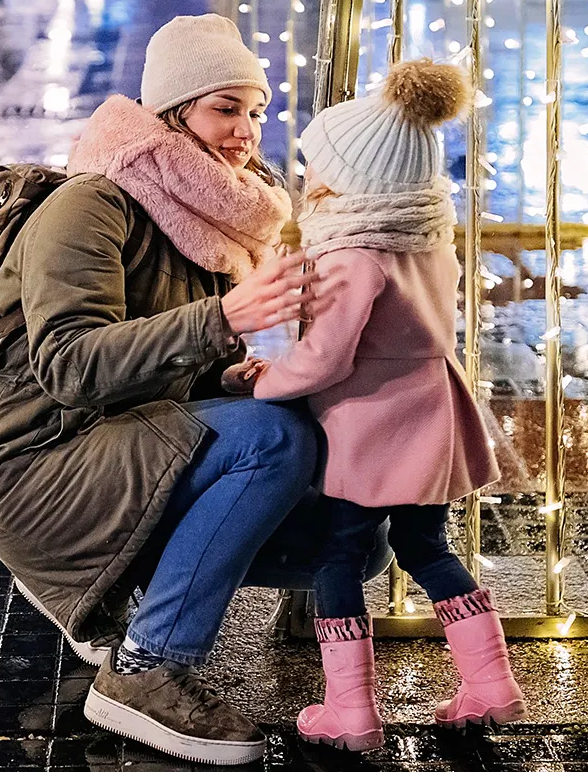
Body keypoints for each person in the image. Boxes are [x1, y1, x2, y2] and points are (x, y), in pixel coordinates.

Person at [0, 14, 333, 766]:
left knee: (350, 535)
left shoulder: (209, 216)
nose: (245, 131)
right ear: (172, 112)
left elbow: (163, 365)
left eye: (255, 111)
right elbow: (70, 366)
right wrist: (219, 320)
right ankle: (143, 669)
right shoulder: (91, 203)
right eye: (225, 109)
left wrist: (227, 376)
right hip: (32, 463)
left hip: (115, 442)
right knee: (274, 441)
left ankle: (104, 581)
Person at [225, 59, 527, 753]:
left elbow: (329, 357)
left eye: (316, 170)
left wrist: (267, 381)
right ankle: (491, 683)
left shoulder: (352, 255)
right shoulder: (425, 244)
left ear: (350, 182)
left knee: (339, 553)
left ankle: (350, 711)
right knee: (427, 547)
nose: (307, 182)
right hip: (428, 417)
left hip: (367, 425)